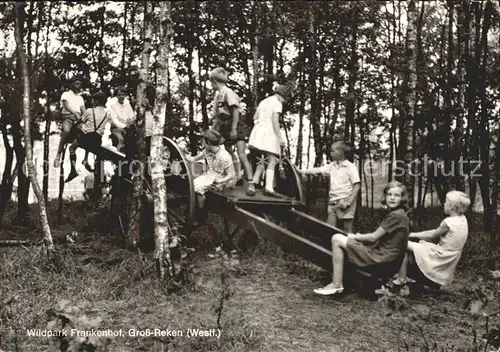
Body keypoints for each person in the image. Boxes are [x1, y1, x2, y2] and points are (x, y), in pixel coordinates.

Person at [314, 181, 410, 296]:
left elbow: (373, 237)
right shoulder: (401, 214)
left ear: (402, 198)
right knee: (348, 241)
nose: (392, 198)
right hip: (389, 260)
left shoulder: (395, 216)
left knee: (337, 239)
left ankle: (336, 283)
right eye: (390, 195)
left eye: (397, 195)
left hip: (381, 259)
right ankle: (341, 280)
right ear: (385, 196)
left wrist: (355, 236)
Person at [393, 190, 470, 288]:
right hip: (448, 255)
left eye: (446, 202)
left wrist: (410, 235)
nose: (444, 204)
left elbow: (431, 235)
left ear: (452, 206)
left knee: (402, 243)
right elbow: (434, 232)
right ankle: (418, 276)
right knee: (421, 243)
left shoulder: (448, 222)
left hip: (440, 255)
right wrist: (412, 234)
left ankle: (401, 278)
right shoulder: (462, 219)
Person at [209, 67, 255, 196]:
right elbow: (218, 116)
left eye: (210, 82)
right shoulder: (218, 95)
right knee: (225, 150)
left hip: (236, 124)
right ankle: (236, 175)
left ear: (214, 81)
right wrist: (212, 130)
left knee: (241, 154)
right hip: (224, 126)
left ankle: (250, 183)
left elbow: (235, 111)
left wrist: (234, 128)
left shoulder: (228, 92)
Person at [298, 141, 360, 233]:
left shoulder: (350, 167)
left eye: (332, 151)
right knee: (328, 230)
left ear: (340, 152)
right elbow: (318, 170)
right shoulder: (332, 165)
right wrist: (301, 171)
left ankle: (346, 246)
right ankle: (330, 247)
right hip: (333, 203)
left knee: (346, 231)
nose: (330, 153)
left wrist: (348, 202)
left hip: (345, 203)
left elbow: (357, 185)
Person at [185, 129, 236, 224]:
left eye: (203, 141)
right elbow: (193, 159)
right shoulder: (207, 151)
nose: (202, 143)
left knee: (198, 187)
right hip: (211, 174)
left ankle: (201, 212)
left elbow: (231, 174)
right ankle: (196, 206)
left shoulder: (224, 156)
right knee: (193, 184)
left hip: (224, 179)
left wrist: (220, 181)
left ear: (208, 142)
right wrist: (184, 154)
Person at [248, 85, 291, 197]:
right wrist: (280, 137)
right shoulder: (277, 103)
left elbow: (255, 117)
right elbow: (275, 121)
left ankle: (256, 180)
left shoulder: (264, 101)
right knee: (272, 159)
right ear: (283, 96)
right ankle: (268, 187)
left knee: (263, 157)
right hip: (269, 131)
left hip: (258, 130)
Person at [65, 91, 111, 183]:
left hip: (85, 138)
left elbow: (81, 120)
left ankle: (73, 170)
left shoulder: (90, 111)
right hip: (97, 139)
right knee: (98, 154)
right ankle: (99, 176)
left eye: (93, 100)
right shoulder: (107, 114)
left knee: (72, 148)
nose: (92, 102)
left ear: (96, 102)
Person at [54, 76, 86, 168]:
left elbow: (83, 110)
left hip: (78, 119)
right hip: (67, 117)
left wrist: (87, 116)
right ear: (72, 84)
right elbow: (66, 105)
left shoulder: (80, 98)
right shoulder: (66, 94)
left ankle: (79, 156)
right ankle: (58, 154)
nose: (78, 85)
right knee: (66, 131)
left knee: (86, 131)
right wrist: (74, 113)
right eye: (76, 83)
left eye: (79, 83)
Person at [109, 86, 135, 151]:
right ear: (116, 96)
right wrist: (123, 127)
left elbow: (131, 116)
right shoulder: (113, 106)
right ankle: (118, 156)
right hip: (117, 128)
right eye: (119, 95)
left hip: (128, 128)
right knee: (120, 139)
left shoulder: (127, 105)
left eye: (123, 95)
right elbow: (114, 119)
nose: (121, 97)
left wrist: (129, 124)